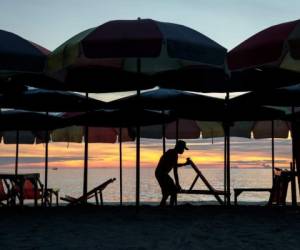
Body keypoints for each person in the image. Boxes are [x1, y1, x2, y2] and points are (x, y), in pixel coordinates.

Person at [155, 140, 191, 207]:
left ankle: (163, 206)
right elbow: (175, 169)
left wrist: (177, 183)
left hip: (160, 173)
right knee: (173, 190)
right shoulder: (173, 153)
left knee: (166, 192)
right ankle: (171, 207)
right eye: (183, 148)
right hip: (162, 173)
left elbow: (174, 168)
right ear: (179, 147)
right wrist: (177, 183)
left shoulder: (172, 152)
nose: (183, 151)